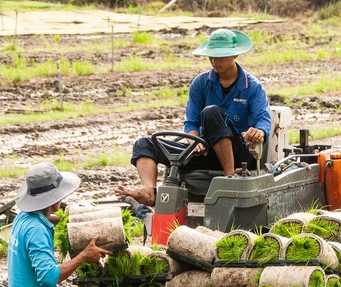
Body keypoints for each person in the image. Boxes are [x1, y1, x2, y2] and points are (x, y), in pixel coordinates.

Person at [116, 28, 272, 206]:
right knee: (146, 143)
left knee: (211, 112)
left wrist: (259, 131)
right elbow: (191, 122)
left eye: (220, 56)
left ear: (235, 55)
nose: (214, 61)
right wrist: (195, 142)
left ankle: (230, 178)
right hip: (206, 150)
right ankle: (149, 192)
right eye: (211, 56)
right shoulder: (200, 83)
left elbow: (263, 119)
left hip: (238, 154)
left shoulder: (252, 86)